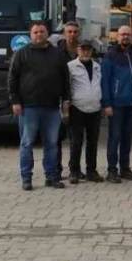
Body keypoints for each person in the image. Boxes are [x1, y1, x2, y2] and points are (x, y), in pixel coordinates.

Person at [8, 21, 70, 191]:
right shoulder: (22, 54)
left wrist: (66, 100)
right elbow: (12, 79)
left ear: (47, 33)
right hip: (28, 108)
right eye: (35, 32)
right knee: (27, 143)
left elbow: (65, 79)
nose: (39, 35)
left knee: (51, 144)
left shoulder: (57, 54)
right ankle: (26, 178)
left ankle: (51, 177)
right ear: (30, 35)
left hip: (51, 108)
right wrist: (15, 101)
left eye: (42, 32)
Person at [101, 25, 132, 184]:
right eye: (122, 34)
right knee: (115, 137)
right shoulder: (110, 56)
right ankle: (112, 170)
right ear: (117, 37)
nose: (125, 37)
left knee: (127, 138)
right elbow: (105, 81)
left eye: (128, 34)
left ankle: (125, 168)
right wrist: (107, 104)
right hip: (116, 105)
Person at [66, 39, 104, 184]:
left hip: (95, 109)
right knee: (76, 142)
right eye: (83, 49)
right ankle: (74, 171)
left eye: (88, 49)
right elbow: (66, 87)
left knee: (93, 142)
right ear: (77, 50)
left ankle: (91, 171)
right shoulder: (70, 66)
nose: (86, 52)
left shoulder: (97, 67)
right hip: (77, 108)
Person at [52, 21, 81, 180]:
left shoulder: (83, 51)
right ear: (64, 34)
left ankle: (74, 170)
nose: (72, 34)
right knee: (56, 137)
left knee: (75, 139)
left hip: (78, 100)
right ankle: (56, 169)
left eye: (75, 32)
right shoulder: (56, 52)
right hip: (60, 100)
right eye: (69, 32)